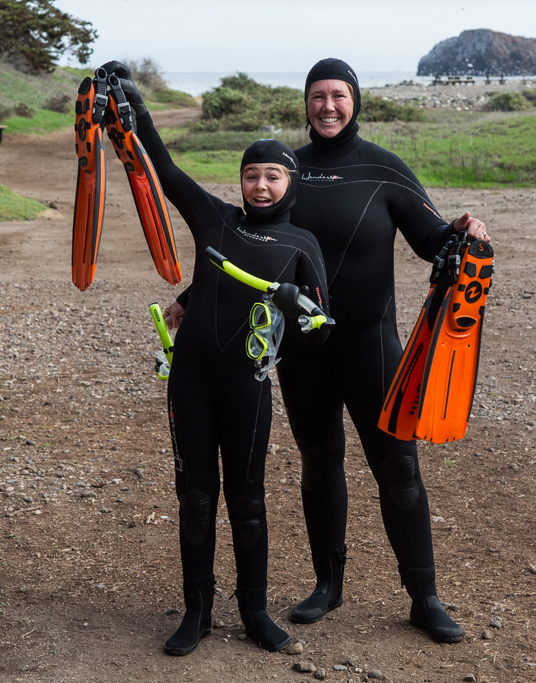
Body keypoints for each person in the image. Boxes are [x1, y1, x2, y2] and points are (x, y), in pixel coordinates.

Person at [166, 58, 489, 644]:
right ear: (305, 104)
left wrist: (464, 230)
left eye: (339, 95)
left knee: (399, 469)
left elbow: (432, 239)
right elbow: (254, 248)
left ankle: (425, 597)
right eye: (318, 96)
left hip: (371, 346)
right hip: (306, 354)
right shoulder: (289, 169)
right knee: (319, 464)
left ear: (355, 100)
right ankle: (326, 585)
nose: (329, 106)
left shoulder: (384, 170)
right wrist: (195, 294)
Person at [100, 61, 331, 656]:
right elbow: (165, 169)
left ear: (290, 183)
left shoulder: (302, 246)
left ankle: (254, 609)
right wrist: (135, 107)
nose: (260, 185)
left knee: (248, 502)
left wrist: (294, 304)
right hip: (192, 380)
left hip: (248, 385)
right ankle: (197, 611)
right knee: (196, 498)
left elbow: (319, 331)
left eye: (273, 176)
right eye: (251, 174)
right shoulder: (213, 220)